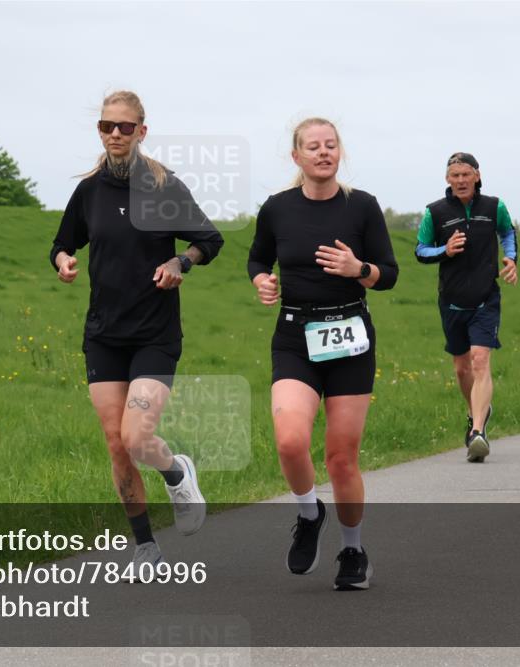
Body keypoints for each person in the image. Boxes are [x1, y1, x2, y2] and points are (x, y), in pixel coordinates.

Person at [50, 90, 224, 577]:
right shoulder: (89, 192)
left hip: (154, 332)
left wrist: (179, 261)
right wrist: (64, 259)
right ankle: (145, 545)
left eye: (126, 127)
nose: (115, 134)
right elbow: (64, 241)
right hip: (104, 332)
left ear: (142, 131)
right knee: (114, 442)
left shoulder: (164, 187)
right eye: (107, 126)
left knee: (135, 435)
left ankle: (175, 471)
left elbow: (209, 239)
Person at [247, 117, 398, 590]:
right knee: (290, 440)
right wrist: (262, 280)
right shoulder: (277, 209)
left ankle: (353, 550)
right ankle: (309, 513)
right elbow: (257, 257)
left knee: (341, 458)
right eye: (313, 146)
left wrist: (360, 268)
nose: (323, 152)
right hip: (295, 334)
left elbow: (389, 273)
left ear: (340, 153)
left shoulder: (363, 207)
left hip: (350, 335)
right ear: (297, 157)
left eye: (331, 145)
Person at [415, 152, 518, 462]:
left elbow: (508, 232)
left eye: (465, 174)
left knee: (480, 360)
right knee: (462, 368)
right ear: (448, 179)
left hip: (486, 297)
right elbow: (421, 251)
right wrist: (444, 250)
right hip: (451, 300)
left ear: (477, 175)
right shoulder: (434, 212)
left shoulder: (494, 206)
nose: (460, 180)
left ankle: (477, 432)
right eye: (454, 175)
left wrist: (511, 258)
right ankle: (476, 411)